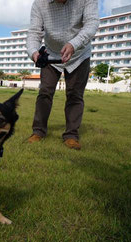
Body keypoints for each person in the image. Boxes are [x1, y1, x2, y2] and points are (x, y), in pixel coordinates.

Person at [26, 0, 99, 150]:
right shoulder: (40, 3)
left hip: (79, 53)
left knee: (75, 95)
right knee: (45, 92)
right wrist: (34, 53)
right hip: (51, 54)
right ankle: (38, 131)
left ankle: (71, 135)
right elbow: (34, 32)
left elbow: (92, 24)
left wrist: (74, 44)